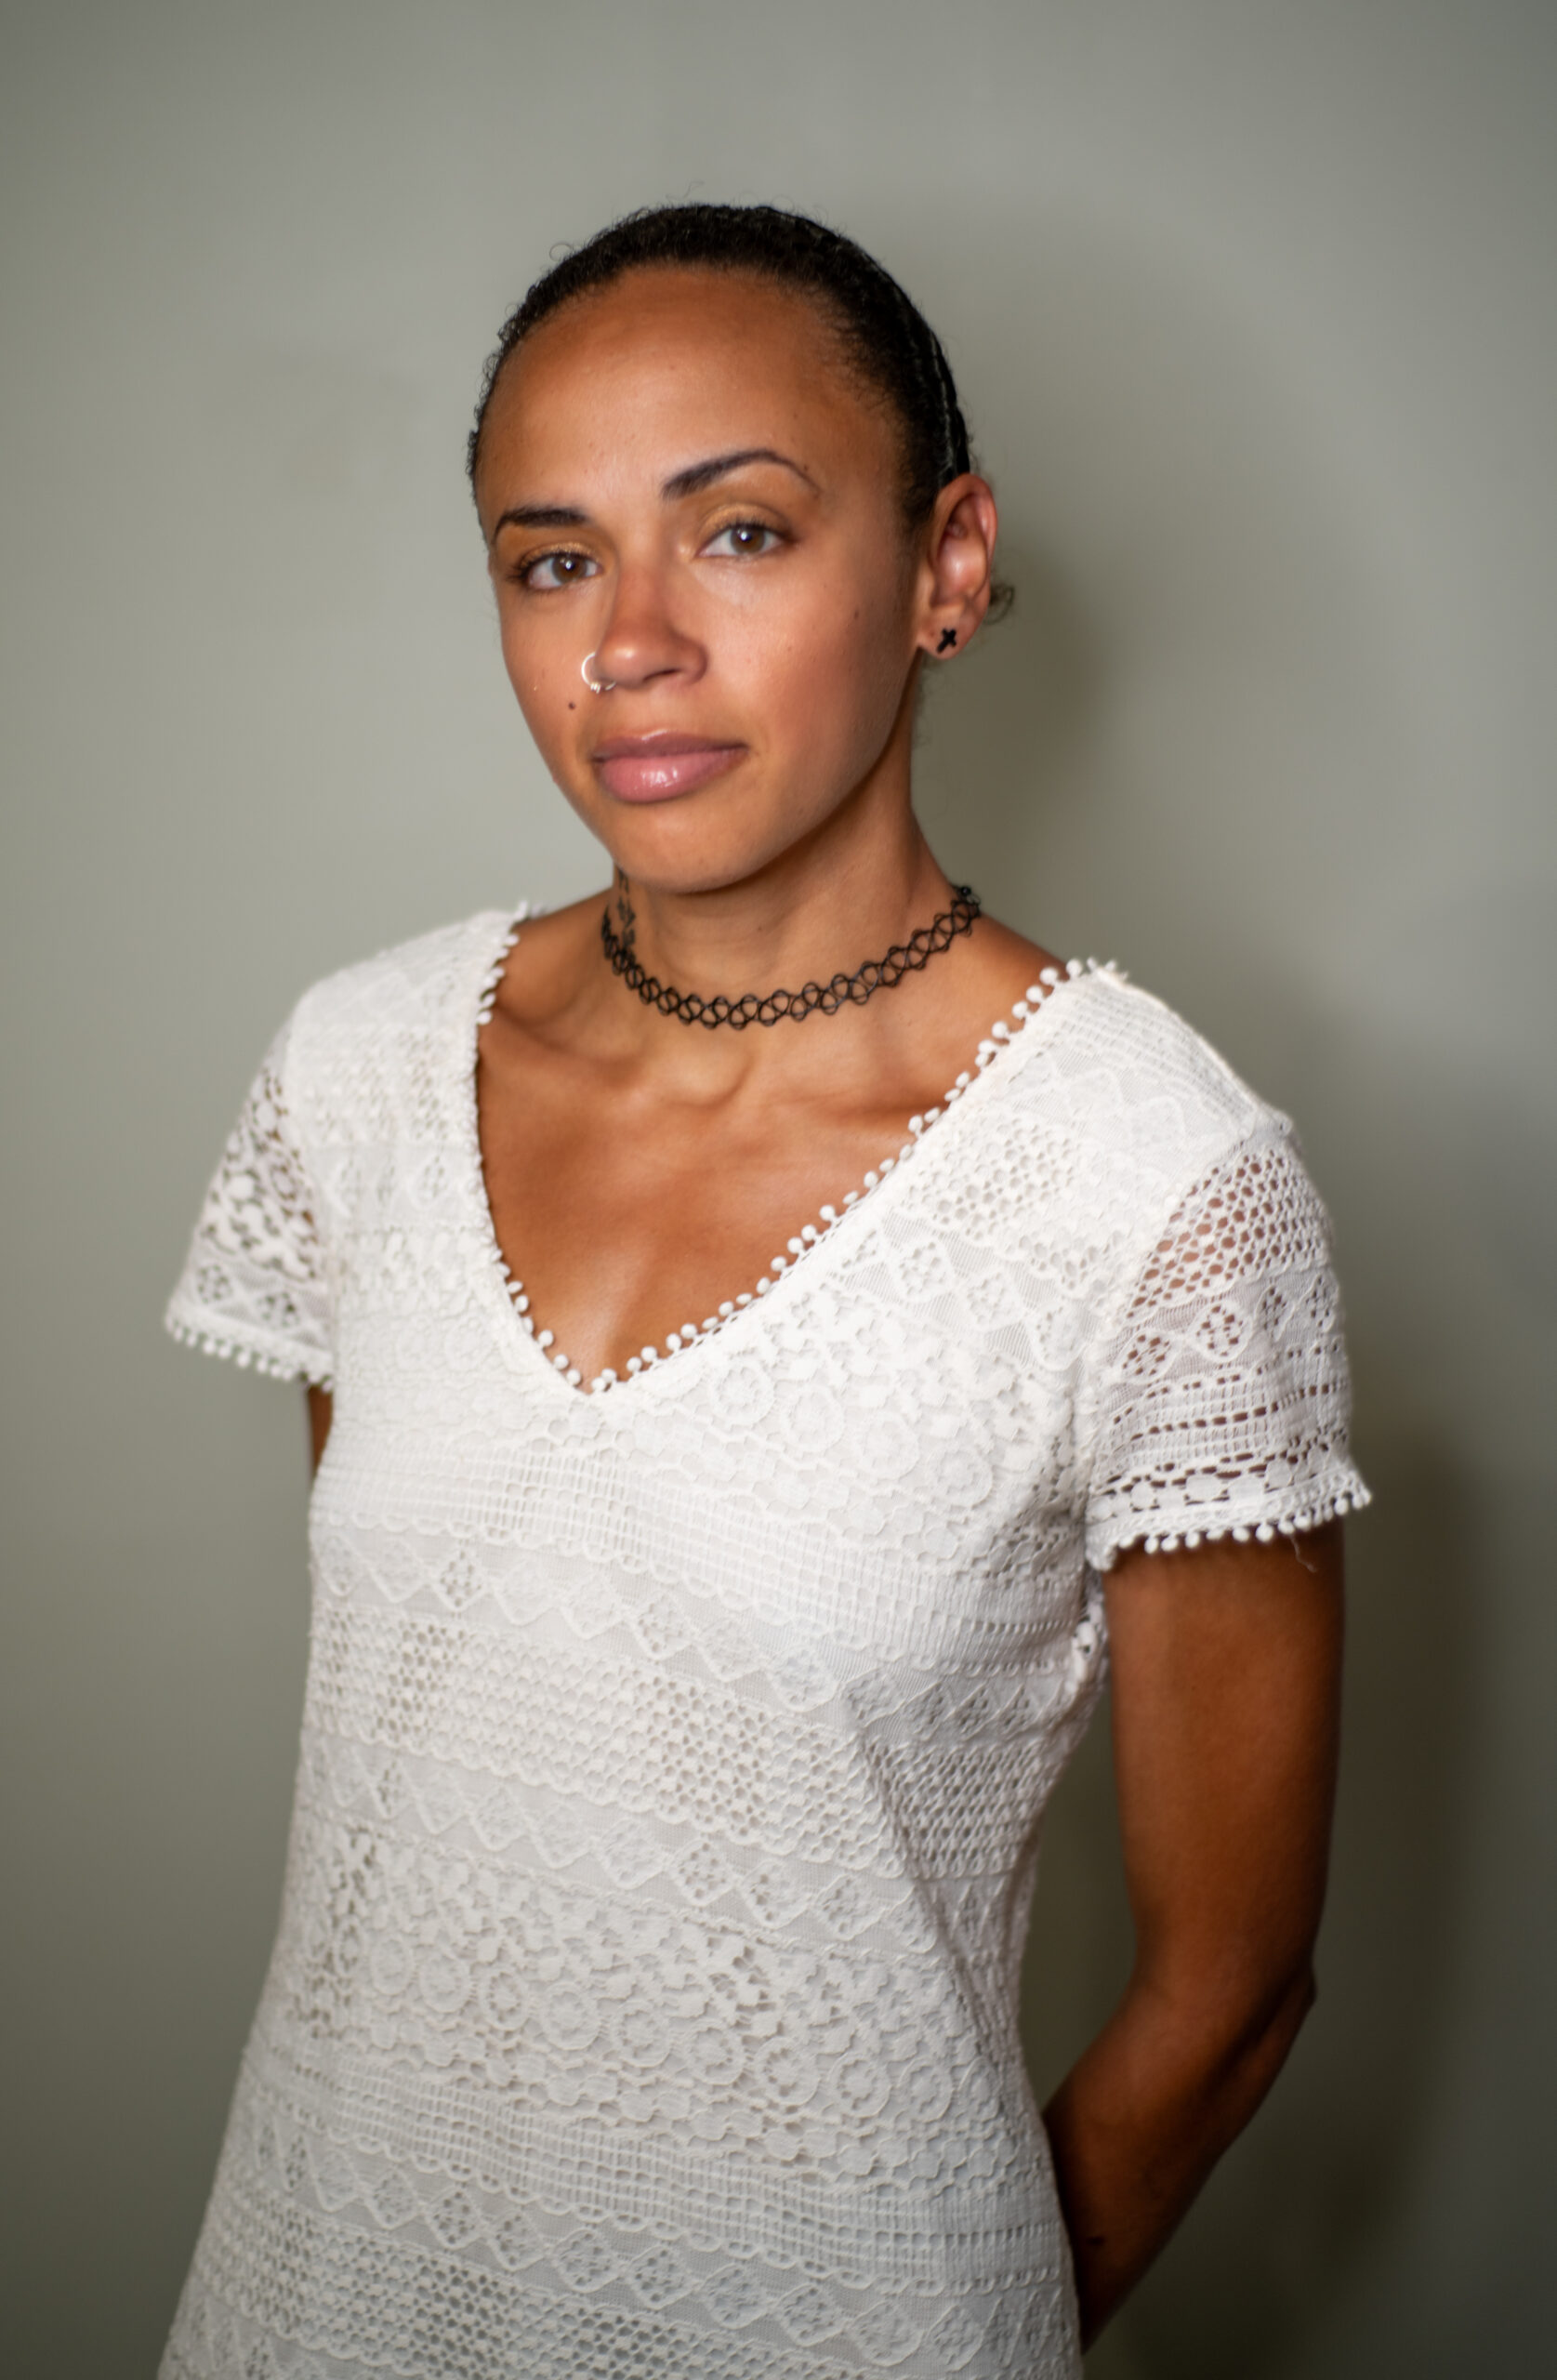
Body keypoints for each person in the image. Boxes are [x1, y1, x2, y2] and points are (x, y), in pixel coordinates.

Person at [162, 203, 1366, 2379]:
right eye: (552, 558)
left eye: (734, 532)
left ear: (946, 564)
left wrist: (932, 2330)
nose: (627, 641)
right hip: (320, 2292)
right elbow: (461, 1744)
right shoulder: (359, 1072)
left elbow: (1230, 1983)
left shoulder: (1150, 1183)